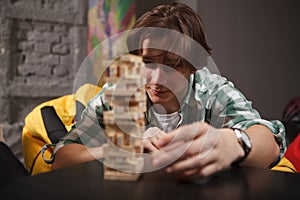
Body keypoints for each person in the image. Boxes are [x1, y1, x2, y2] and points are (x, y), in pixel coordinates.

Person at [52, 3, 286, 181]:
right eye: (148, 63)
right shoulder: (118, 95)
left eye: (173, 65)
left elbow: (270, 144)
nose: (156, 80)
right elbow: (62, 159)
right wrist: (120, 148)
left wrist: (236, 142)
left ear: (194, 65)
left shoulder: (212, 92)